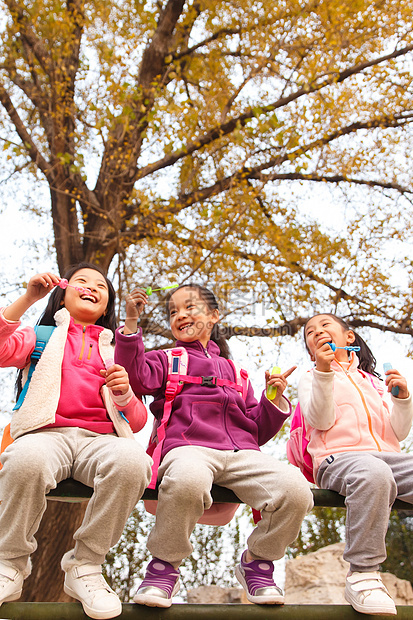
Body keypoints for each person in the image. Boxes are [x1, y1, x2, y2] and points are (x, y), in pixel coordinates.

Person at [115, 283, 313, 608]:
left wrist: (273, 399)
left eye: (190, 307)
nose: (180, 315)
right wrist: (132, 324)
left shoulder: (237, 373)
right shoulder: (167, 360)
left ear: (214, 315)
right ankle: (164, 566)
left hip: (241, 453)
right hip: (188, 446)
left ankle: (258, 561)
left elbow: (256, 430)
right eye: (173, 311)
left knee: (295, 490)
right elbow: (134, 375)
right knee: (188, 479)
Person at [0, 264, 152, 620]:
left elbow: (139, 420)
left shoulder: (116, 349)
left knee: (133, 462)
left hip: (100, 441)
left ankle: (86, 566)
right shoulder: (40, 336)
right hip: (45, 434)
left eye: (101, 285)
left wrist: (127, 395)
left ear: (106, 305)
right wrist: (27, 298)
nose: (91, 287)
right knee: (25, 461)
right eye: (82, 281)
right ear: (62, 293)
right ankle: (8, 563)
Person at [299, 313, 413, 616]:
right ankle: (363, 573)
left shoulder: (373, 382)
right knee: (374, 474)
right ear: (311, 351)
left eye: (325, 326)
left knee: (381, 470)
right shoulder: (311, 378)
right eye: (310, 332)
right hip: (339, 459)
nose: (317, 332)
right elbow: (320, 420)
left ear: (348, 337)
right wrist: (324, 372)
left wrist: (402, 400)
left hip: (390, 460)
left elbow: (399, 432)